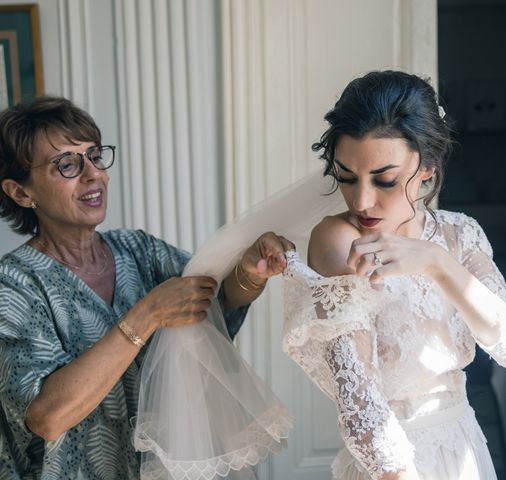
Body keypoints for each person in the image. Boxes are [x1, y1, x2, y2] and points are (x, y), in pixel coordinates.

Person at [0, 96, 293, 479]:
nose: (93, 175)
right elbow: (47, 417)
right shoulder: (14, 286)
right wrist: (148, 314)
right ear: (21, 193)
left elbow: (216, 303)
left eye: (95, 155)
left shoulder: (139, 250)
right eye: (67, 164)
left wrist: (251, 271)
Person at [281, 70, 506, 480]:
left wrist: (437, 263)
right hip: (389, 468)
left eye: (385, 180)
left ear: (428, 169)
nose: (362, 200)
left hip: (462, 449)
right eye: (347, 177)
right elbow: (360, 407)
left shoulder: (459, 235)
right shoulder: (338, 241)